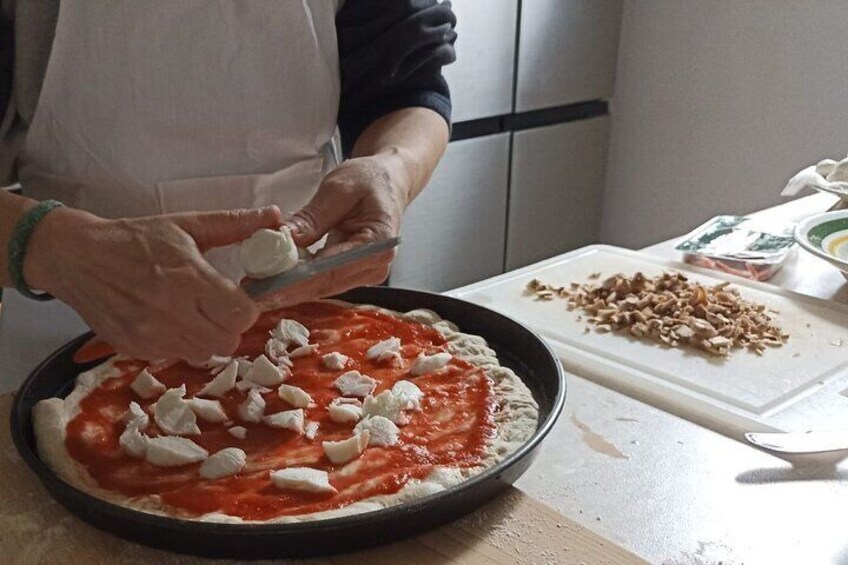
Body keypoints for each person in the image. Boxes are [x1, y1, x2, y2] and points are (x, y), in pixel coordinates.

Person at [0, 0, 456, 390]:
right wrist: (52, 249)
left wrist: (392, 169)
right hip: (68, 329)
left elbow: (409, 82)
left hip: (310, 324)